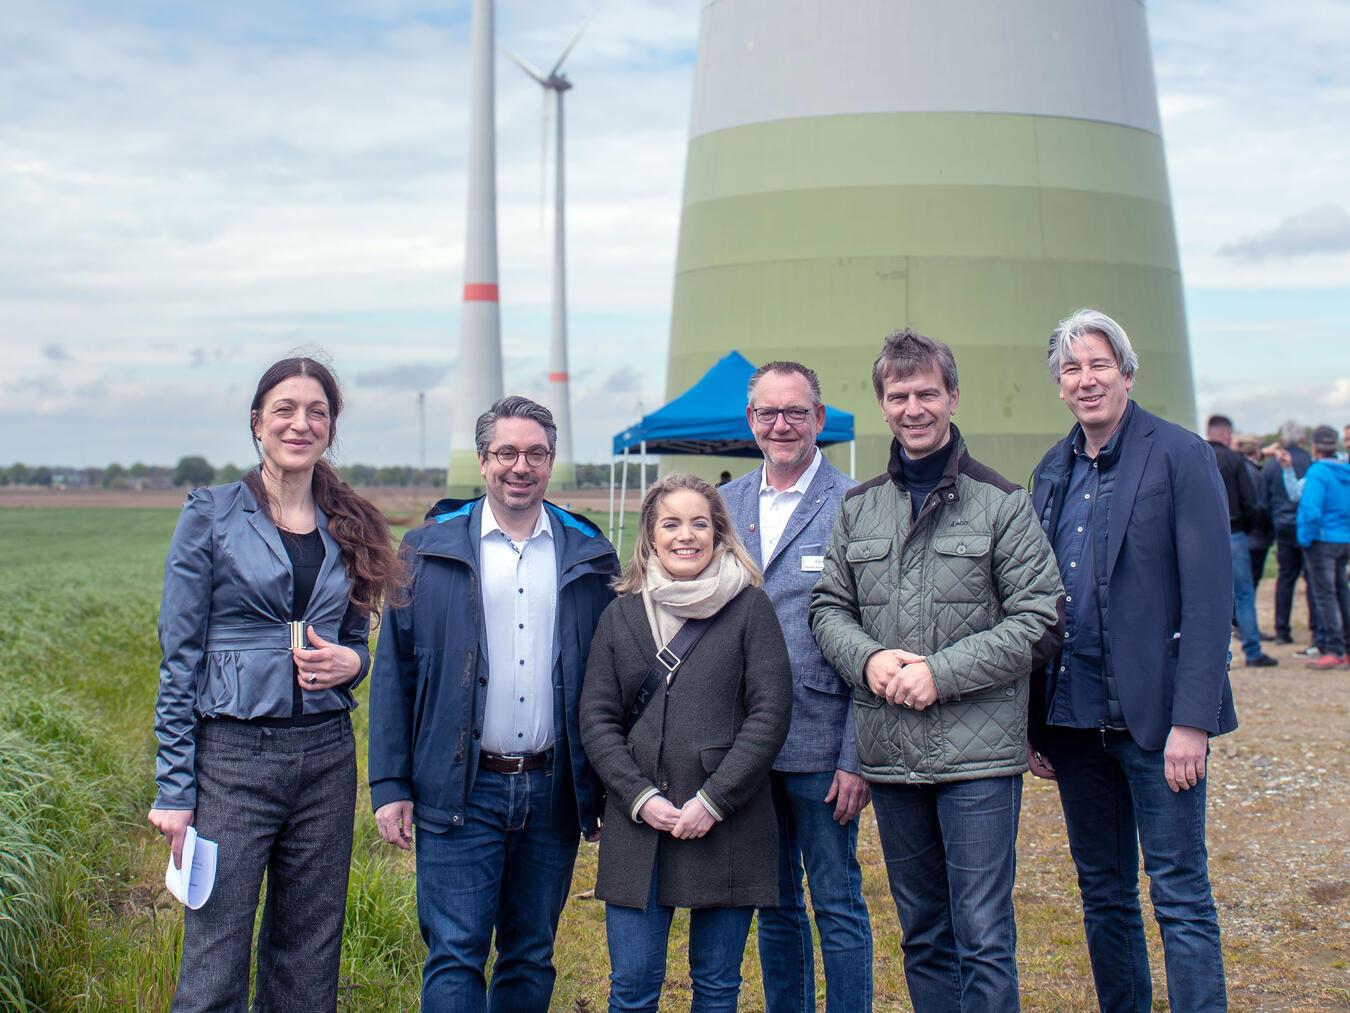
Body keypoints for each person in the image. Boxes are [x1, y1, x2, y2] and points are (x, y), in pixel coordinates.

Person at [810, 328, 1063, 1013]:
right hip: (891, 755)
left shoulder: (1002, 502)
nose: (913, 407)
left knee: (982, 933)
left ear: (953, 396)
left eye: (927, 392)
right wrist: (870, 657)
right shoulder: (858, 507)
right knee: (923, 933)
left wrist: (940, 672)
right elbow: (828, 608)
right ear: (882, 405)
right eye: (899, 395)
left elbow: (1039, 618)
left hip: (977, 758)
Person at [148, 356, 403, 1011]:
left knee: (310, 952)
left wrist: (355, 663)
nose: (301, 422)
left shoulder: (347, 521)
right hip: (234, 757)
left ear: (331, 427)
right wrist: (175, 787)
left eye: (316, 411)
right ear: (257, 422)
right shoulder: (211, 513)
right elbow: (179, 659)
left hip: (325, 755)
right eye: (285, 409)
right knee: (216, 958)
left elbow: (353, 642)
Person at [367, 396, 619, 1013]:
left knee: (531, 953)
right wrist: (389, 783)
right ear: (483, 461)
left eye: (535, 453)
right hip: (460, 787)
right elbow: (395, 675)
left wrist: (609, 784)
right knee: (455, 951)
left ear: (551, 461)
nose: (520, 466)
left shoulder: (587, 554)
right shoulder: (427, 551)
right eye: (506, 452)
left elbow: (613, 678)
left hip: (550, 787)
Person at [1029, 309, 1236, 1012]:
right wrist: (1035, 721)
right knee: (1103, 893)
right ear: (1059, 383)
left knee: (1179, 893)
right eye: (1071, 368)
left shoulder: (1179, 454)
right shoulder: (1050, 471)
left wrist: (1194, 721)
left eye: (1098, 365)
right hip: (1076, 722)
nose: (1085, 380)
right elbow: (1036, 601)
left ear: (1126, 372)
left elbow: (1211, 599)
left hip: (1159, 724)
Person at [581, 474, 792, 1013]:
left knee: (718, 990)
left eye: (700, 523)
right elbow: (597, 719)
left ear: (719, 533)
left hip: (728, 822)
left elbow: (769, 714)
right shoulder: (620, 614)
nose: (686, 535)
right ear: (650, 535)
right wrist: (639, 797)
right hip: (638, 825)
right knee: (631, 991)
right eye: (671, 523)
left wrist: (715, 800)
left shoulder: (749, 609)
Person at [720, 361, 874, 1013]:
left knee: (836, 901)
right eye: (767, 413)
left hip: (821, 748)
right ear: (750, 421)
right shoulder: (724, 506)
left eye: (795, 412)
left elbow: (877, 635)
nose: (781, 424)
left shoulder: (856, 504)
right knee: (775, 900)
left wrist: (855, 755)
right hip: (745, 749)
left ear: (820, 418)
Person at [1205, 414, 1277, 667]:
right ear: (1227, 435)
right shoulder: (1235, 460)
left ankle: (1218, 656)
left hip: (1200, 536)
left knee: (1207, 597)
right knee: (1244, 595)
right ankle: (1253, 651)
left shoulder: (1192, 455)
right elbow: (1250, 501)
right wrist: (1248, 526)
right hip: (1233, 532)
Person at [1296, 425, 1350, 670]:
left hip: (1322, 540)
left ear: (1314, 447)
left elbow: (1311, 510)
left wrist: (1304, 539)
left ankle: (1334, 649)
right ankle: (1346, 648)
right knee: (1342, 592)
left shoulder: (1318, 472)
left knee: (1325, 595)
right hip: (1343, 538)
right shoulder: (1345, 470)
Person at [1263, 420, 1321, 650]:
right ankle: (1316, 630)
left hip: (1283, 526)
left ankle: (1281, 630)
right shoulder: (1310, 462)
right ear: (1302, 438)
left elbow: (1263, 499)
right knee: (1313, 581)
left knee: (1285, 579)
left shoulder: (1271, 465)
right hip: (1307, 526)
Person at [1235, 434, 1274, 610]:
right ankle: (1246, 626)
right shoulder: (1254, 472)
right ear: (1256, 450)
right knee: (1250, 584)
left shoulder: (1239, 467)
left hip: (1246, 533)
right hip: (1255, 535)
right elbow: (1258, 505)